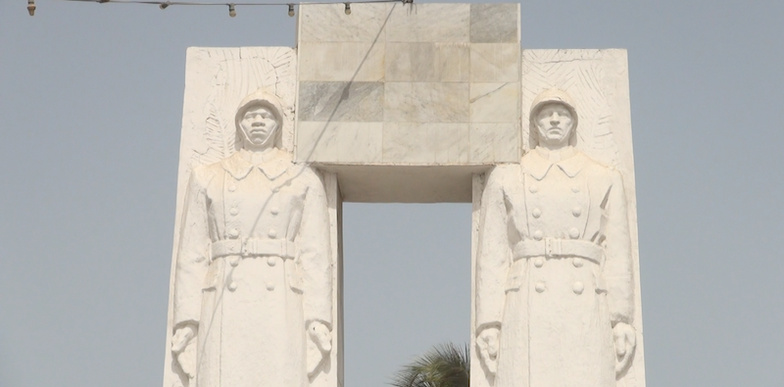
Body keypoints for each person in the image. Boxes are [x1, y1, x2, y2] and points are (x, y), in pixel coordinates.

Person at [475, 88, 636, 387]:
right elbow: (493, 254)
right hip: (526, 297)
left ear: (573, 123)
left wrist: (621, 319)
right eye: (545, 114)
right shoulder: (508, 176)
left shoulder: (602, 177)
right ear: (534, 125)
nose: (554, 120)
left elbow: (618, 253)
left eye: (561, 114)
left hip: (586, 296)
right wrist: (489, 322)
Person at [170, 91, 332, 387]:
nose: (258, 121)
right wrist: (187, 320)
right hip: (223, 294)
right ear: (238, 123)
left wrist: (318, 318)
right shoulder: (208, 176)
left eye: (266, 115)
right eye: (250, 115)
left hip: (280, 294)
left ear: (278, 125)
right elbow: (191, 255)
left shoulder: (302, 177)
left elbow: (315, 255)